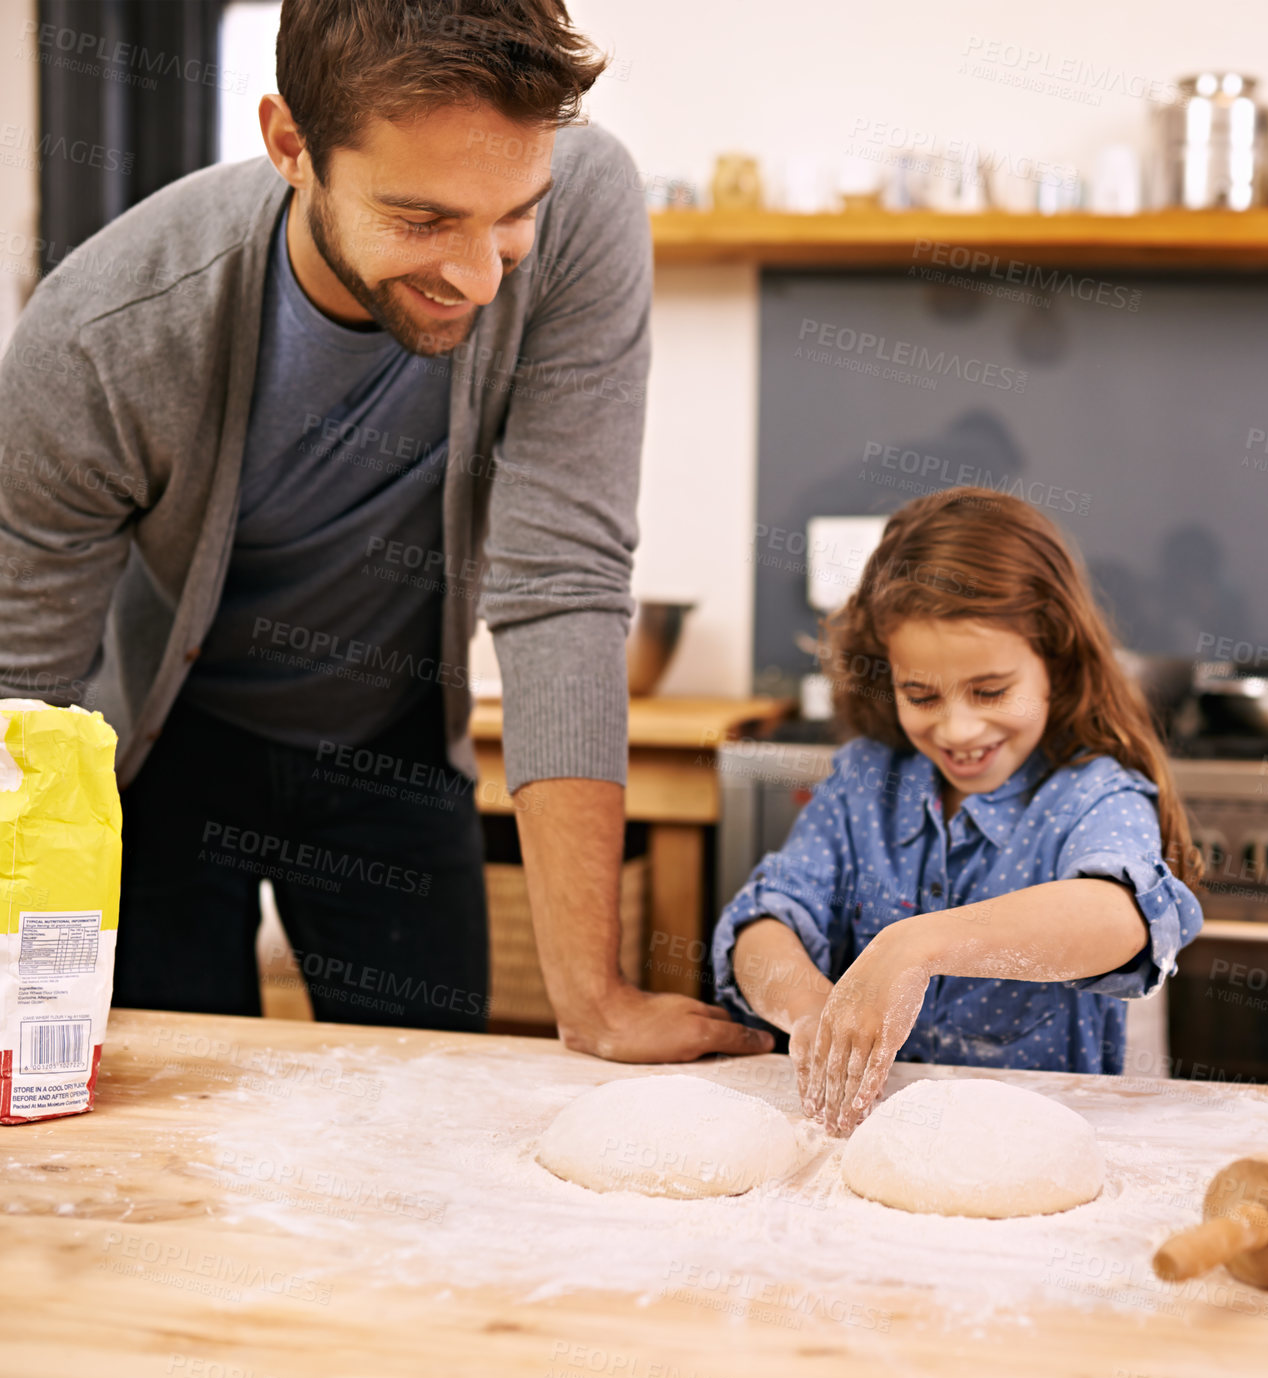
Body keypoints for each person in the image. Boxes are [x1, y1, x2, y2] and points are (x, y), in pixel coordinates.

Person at [0, 0, 769, 1063]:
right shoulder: (99, 340)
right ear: (290, 146)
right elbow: (21, 694)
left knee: (426, 1120)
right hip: (165, 760)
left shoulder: (585, 201)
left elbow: (562, 578)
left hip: (395, 746)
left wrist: (592, 995)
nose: (483, 276)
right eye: (421, 221)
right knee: (170, 1115)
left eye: (512, 215)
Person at [711, 488, 1206, 1134]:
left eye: (990, 690)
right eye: (921, 694)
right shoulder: (866, 782)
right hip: (868, 1153)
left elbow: (1122, 916)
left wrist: (916, 945)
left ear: (1054, 662)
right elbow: (760, 926)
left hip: (1034, 1154)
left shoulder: (1091, 793)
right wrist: (813, 1017)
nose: (958, 728)